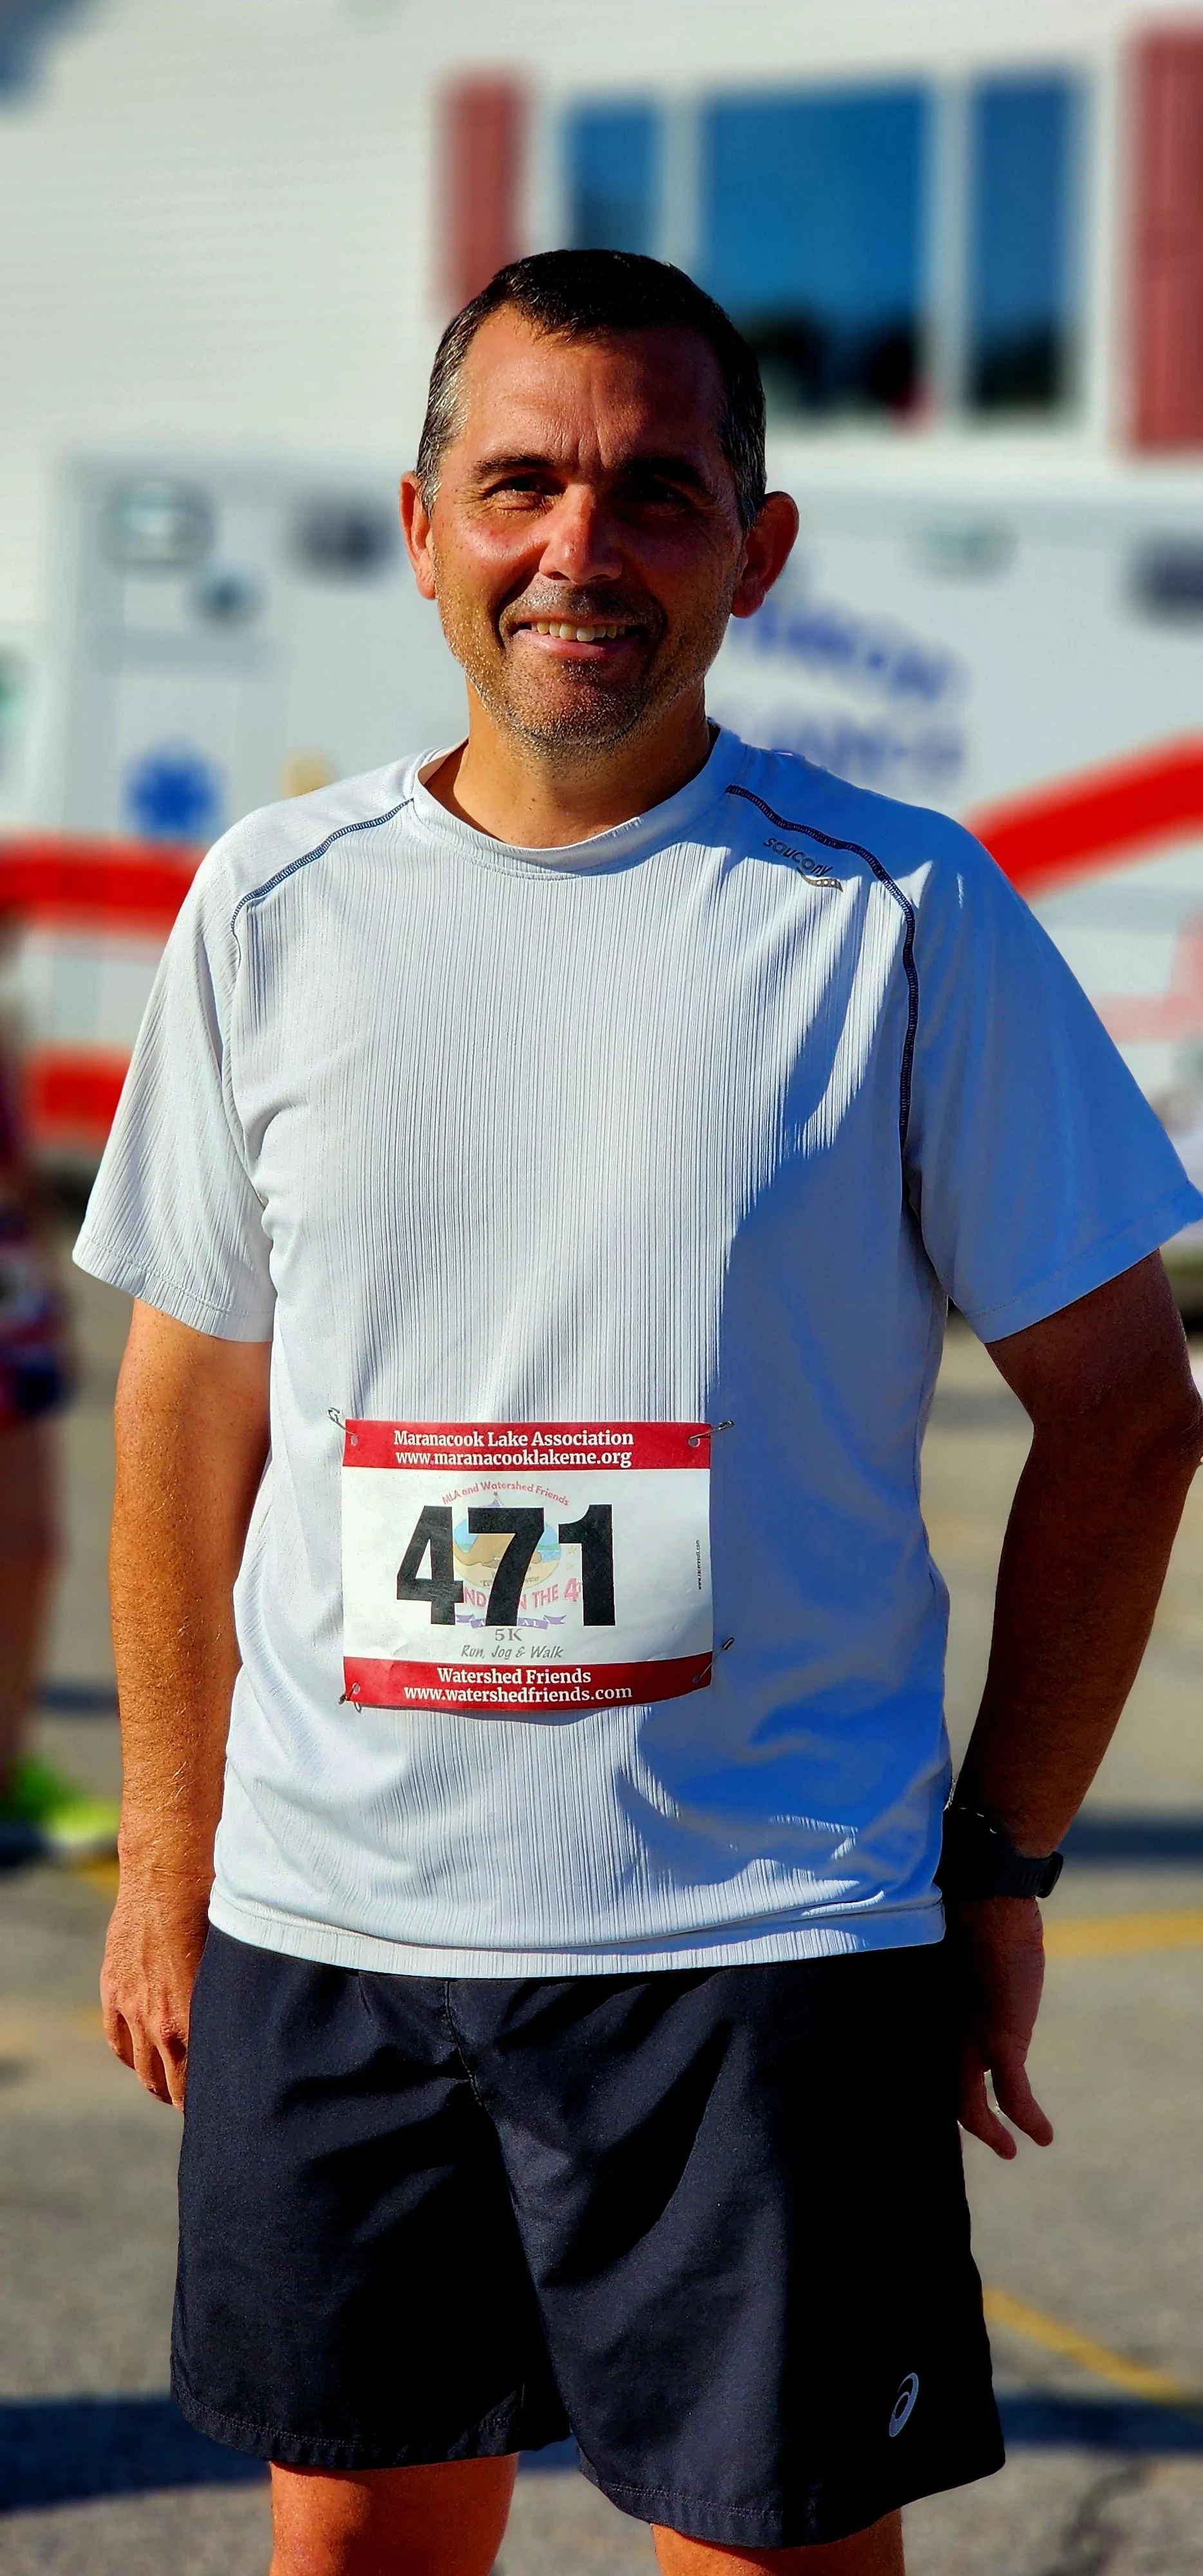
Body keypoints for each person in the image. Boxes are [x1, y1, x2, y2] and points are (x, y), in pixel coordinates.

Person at [75, 250, 1202, 2576]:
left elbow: (1121, 1407)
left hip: (756, 1947)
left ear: (751, 551)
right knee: (359, 2546)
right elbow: (186, 1405)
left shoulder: (896, 914)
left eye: (649, 493)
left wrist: (991, 1857)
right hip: (339, 1930)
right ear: (418, 528)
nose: (574, 548)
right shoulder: (270, 909)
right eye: (517, 486)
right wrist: (176, 1845)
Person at [0, 908, 118, 1860]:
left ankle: (8, 1772)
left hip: (10, 1308)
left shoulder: (5, 1027)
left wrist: (49, 1301)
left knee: (32, 1546)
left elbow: (23, 1183)